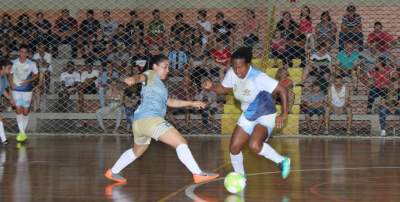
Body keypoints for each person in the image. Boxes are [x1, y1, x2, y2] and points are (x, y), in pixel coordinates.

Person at [105, 54, 219, 184]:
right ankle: (198, 174)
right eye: (165, 67)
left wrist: (192, 103)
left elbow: (170, 102)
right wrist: (133, 79)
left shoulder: (160, 86)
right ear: (155, 67)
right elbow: (141, 77)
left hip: (139, 123)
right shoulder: (151, 74)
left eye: (168, 67)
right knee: (180, 142)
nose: (168, 70)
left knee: (137, 151)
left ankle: (113, 172)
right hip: (151, 119)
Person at [203, 47, 291, 179]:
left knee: (254, 145)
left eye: (240, 67)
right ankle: (240, 177)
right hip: (249, 114)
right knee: (234, 148)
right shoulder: (233, 73)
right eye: (234, 67)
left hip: (265, 114)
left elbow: (282, 90)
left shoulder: (258, 77)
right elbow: (223, 88)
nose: (237, 71)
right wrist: (212, 87)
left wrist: (284, 114)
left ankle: (282, 161)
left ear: (248, 65)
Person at [10, 45, 39, 142]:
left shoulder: (32, 64)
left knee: (25, 111)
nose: (23, 54)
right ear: (19, 52)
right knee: (18, 109)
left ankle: (22, 133)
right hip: (16, 89)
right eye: (21, 51)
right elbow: (10, 75)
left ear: (27, 53)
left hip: (27, 89)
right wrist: (11, 84)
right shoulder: (13, 63)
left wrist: (28, 81)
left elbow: (36, 75)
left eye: (25, 52)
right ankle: (22, 133)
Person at [0, 60, 13, 145]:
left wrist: (10, 99)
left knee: (0, 120)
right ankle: (3, 139)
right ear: (3, 67)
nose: (10, 70)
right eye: (9, 68)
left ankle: (3, 139)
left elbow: (3, 90)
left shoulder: (4, 77)